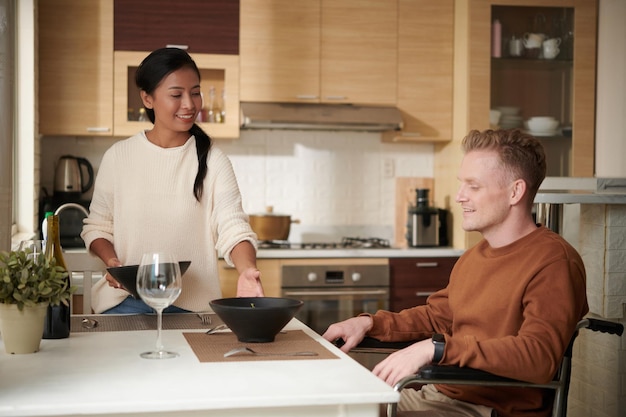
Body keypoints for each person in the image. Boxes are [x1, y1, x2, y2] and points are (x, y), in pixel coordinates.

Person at [323, 129, 588, 417]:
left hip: (487, 409)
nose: (460, 196)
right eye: (462, 185)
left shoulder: (553, 262)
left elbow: (538, 356)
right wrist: (369, 324)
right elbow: (438, 316)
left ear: (515, 191)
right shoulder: (475, 256)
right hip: (439, 393)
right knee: (327, 406)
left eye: (473, 186)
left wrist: (438, 349)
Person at [81, 47, 264, 314]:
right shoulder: (118, 157)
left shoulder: (213, 161)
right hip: (123, 303)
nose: (189, 105)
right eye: (176, 95)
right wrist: (113, 262)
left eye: (195, 92)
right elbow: (97, 227)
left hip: (191, 308)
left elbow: (233, 228)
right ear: (148, 99)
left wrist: (247, 271)